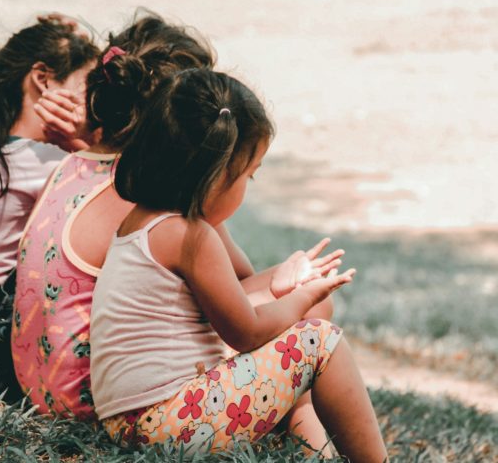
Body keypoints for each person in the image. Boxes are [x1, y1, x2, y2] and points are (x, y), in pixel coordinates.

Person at [90, 68, 388, 462]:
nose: (248, 185)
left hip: (133, 422)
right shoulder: (189, 236)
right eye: (249, 174)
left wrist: (282, 283)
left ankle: (317, 453)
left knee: (306, 324)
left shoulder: (144, 221)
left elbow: (227, 298)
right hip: (169, 423)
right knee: (320, 340)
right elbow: (246, 331)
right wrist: (304, 297)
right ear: (216, 176)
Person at [11, 13, 217, 419]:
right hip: (96, 398)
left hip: (40, 388)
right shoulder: (142, 196)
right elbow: (229, 295)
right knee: (305, 315)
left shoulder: (68, 165)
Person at [0, 17, 98, 401]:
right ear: (43, 79)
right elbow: (114, 198)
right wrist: (85, 145)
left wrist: (73, 36)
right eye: (86, 88)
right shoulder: (46, 161)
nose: (91, 106)